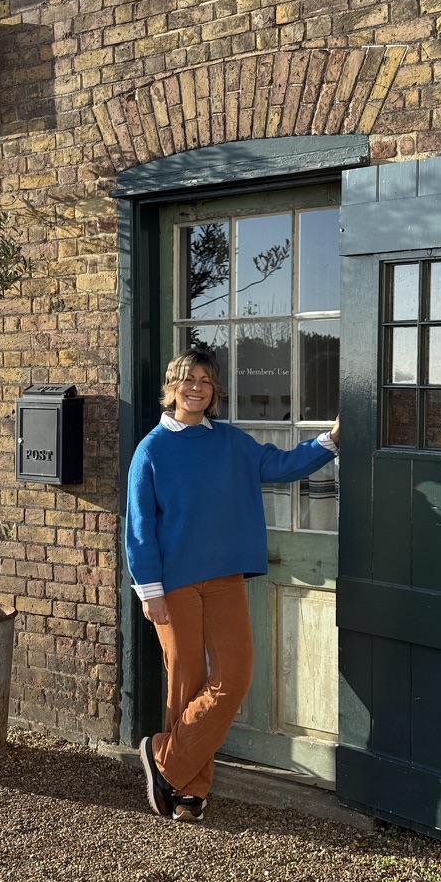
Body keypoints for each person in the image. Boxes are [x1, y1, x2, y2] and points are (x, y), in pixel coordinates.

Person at [125, 348, 339, 823]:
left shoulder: (231, 442)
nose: (196, 387)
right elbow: (138, 528)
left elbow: (283, 465)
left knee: (235, 675)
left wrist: (332, 440)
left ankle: (166, 761)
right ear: (172, 388)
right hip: (174, 585)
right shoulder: (152, 450)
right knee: (186, 682)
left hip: (224, 581)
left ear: (214, 391)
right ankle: (189, 790)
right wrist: (150, 591)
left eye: (205, 380)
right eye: (187, 379)